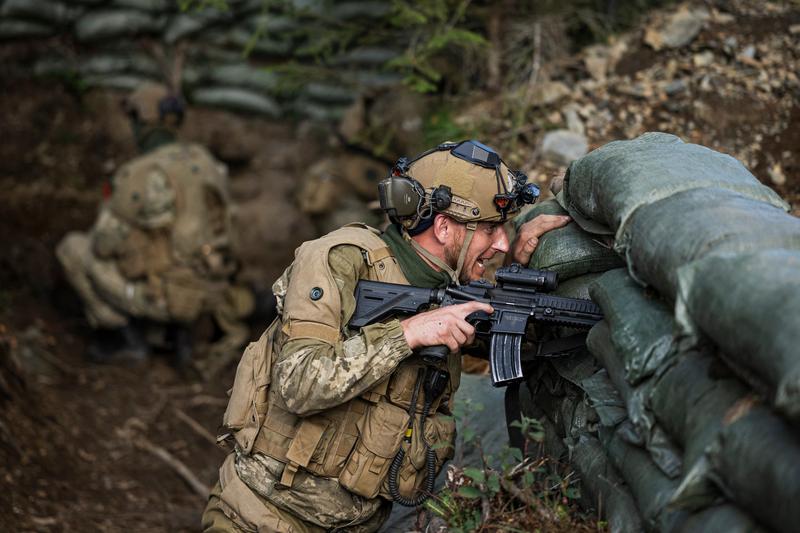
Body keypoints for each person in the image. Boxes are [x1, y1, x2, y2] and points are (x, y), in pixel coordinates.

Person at [201, 140, 570, 532]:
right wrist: (408, 333)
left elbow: (526, 346)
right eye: (492, 229)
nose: (500, 242)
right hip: (261, 519)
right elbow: (298, 381)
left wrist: (516, 270)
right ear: (444, 227)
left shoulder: (449, 288)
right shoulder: (340, 259)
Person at [56, 81, 252, 368]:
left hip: (167, 297)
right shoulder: (206, 160)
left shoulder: (138, 174)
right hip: (212, 291)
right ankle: (176, 333)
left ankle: (124, 338)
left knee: (73, 248)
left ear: (140, 123)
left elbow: (103, 245)